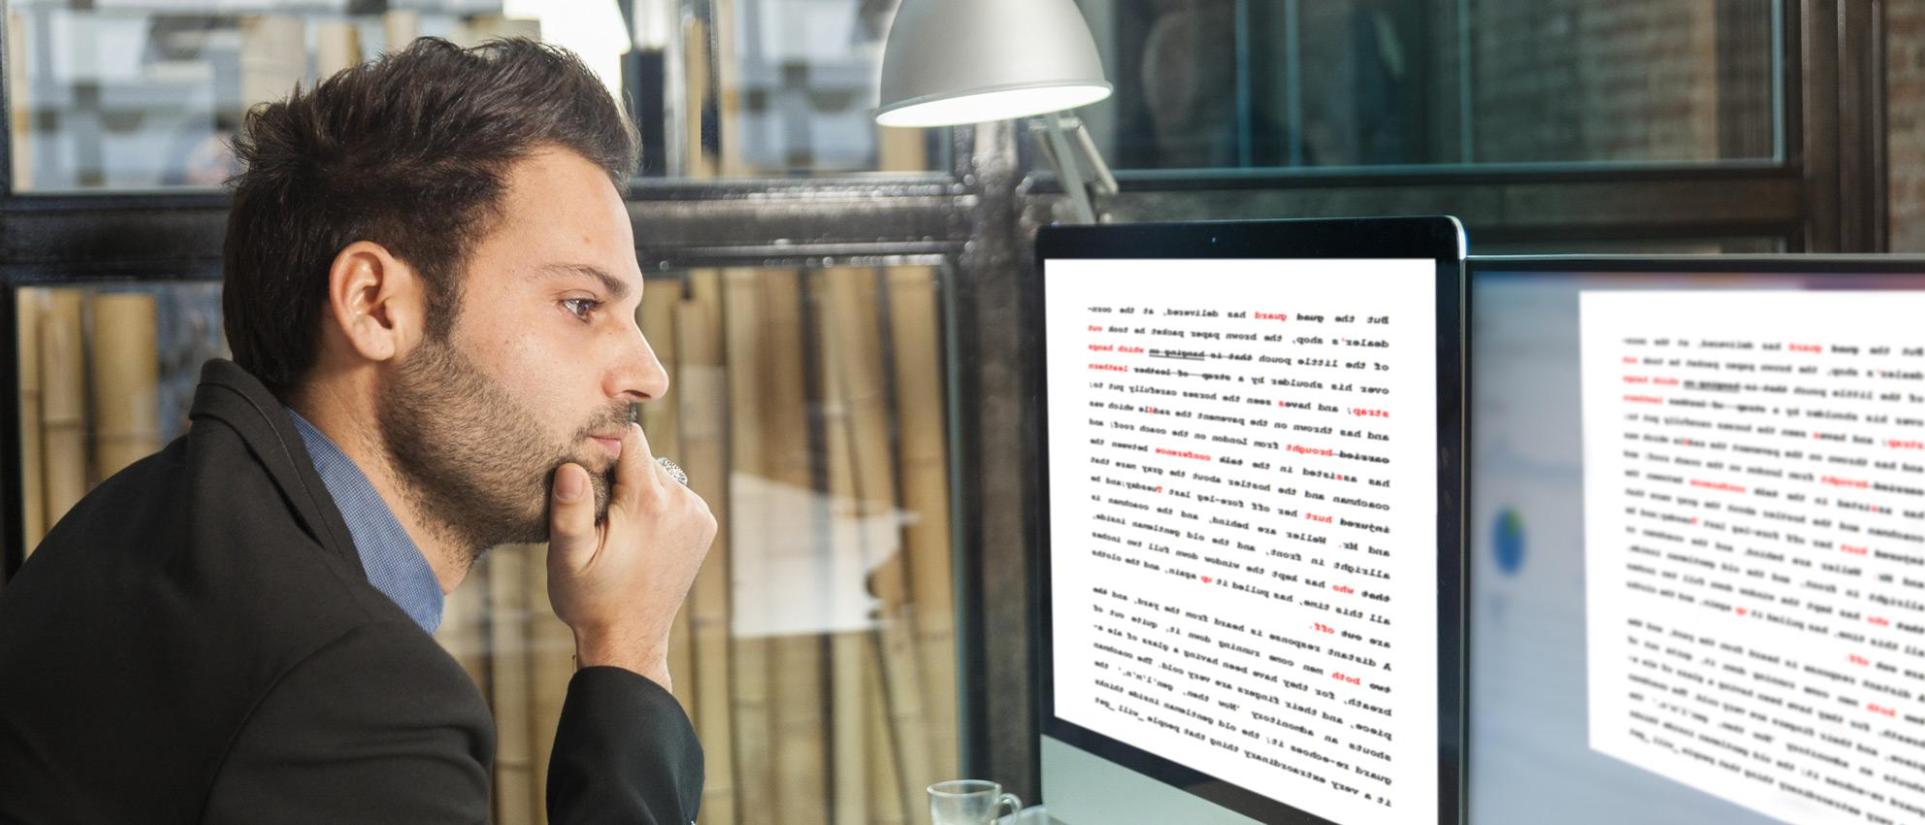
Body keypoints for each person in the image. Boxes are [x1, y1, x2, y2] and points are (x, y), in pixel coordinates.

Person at [0, 38, 716, 824]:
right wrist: (628, 652)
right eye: (582, 305)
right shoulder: (350, 691)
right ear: (375, 306)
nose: (649, 373)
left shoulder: (140, 513)